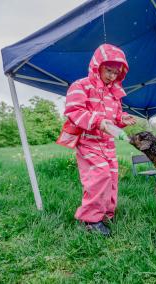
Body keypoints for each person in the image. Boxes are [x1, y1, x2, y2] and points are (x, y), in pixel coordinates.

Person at [61, 44, 136, 236]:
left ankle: (106, 214)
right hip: (88, 142)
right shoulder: (81, 85)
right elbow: (74, 111)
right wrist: (98, 121)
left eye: (116, 73)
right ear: (97, 66)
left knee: (111, 177)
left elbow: (114, 118)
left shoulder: (114, 94)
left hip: (107, 143)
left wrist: (122, 119)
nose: (112, 76)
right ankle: (91, 220)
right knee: (99, 176)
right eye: (108, 70)